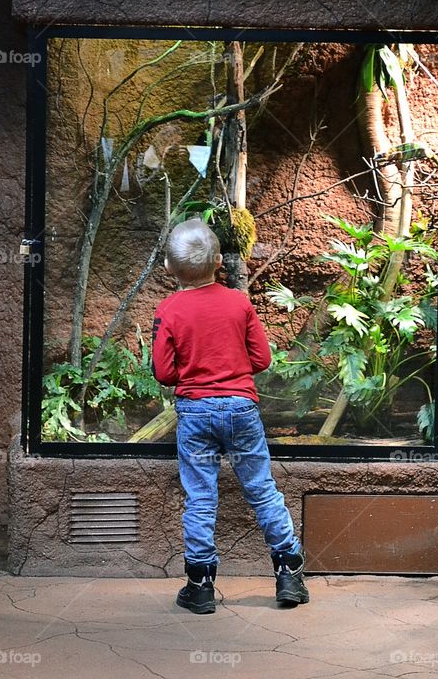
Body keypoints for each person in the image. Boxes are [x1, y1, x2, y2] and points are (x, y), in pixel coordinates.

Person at [151, 218, 309, 614]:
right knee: (262, 489)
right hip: (241, 409)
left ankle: (200, 586)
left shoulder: (168, 310)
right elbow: (262, 358)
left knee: (200, 497)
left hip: (195, 413)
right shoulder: (240, 302)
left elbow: (165, 373)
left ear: (168, 268)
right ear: (220, 261)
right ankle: (288, 573)